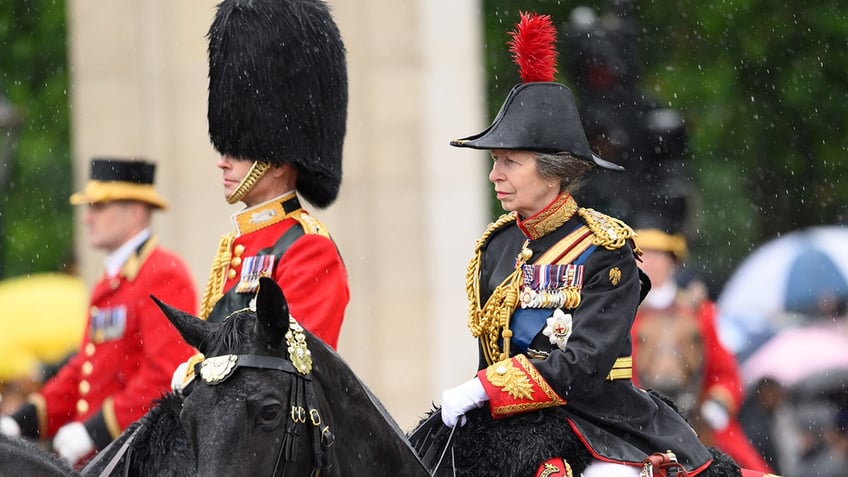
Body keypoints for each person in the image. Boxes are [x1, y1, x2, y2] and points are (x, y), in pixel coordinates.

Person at [437, 12, 721, 477]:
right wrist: (483, 395)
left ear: (553, 171)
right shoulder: (497, 246)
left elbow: (584, 364)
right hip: (506, 423)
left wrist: (487, 388)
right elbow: (494, 351)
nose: (495, 175)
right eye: (494, 162)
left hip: (597, 424)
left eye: (509, 162)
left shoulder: (605, 248)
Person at [171, 0, 350, 391]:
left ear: (278, 161)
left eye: (238, 150)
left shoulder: (307, 249)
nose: (223, 163)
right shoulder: (239, 246)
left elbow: (288, 367)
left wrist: (199, 373)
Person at [0, 158, 198, 467]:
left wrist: (95, 430)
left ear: (135, 210)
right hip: (105, 457)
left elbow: (165, 375)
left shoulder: (163, 273)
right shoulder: (110, 281)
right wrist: (21, 421)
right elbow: (85, 368)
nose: (88, 218)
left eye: (99, 206)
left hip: (139, 458)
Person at [631, 221, 774, 472]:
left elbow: (726, 373)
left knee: (750, 469)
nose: (649, 263)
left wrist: (715, 406)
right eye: (643, 256)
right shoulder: (623, 312)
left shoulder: (701, 313)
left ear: (672, 263)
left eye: (657, 256)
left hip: (698, 420)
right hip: (637, 421)